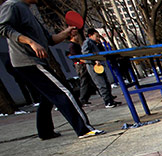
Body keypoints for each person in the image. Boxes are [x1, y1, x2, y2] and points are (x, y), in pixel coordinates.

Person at [0, 0, 103, 138]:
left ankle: (45, 132)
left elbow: (50, 39)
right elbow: (3, 28)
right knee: (64, 92)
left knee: (47, 97)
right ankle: (84, 129)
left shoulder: (28, 11)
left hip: (35, 61)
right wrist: (31, 43)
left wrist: (66, 32)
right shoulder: (12, 5)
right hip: (28, 61)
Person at [82, 28, 119, 108]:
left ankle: (110, 100)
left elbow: (102, 52)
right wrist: (94, 60)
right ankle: (107, 102)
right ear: (90, 35)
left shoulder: (96, 43)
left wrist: (100, 44)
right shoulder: (87, 42)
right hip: (93, 66)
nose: (98, 38)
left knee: (106, 83)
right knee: (102, 84)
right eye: (96, 36)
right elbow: (85, 54)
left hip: (100, 65)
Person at [67, 29, 95, 106]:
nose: (77, 37)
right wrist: (85, 61)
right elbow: (76, 56)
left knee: (88, 81)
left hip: (82, 63)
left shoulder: (76, 44)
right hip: (80, 64)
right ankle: (82, 99)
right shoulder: (72, 45)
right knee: (84, 81)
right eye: (75, 35)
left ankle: (84, 99)